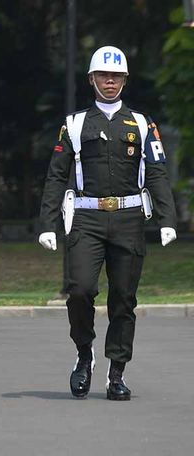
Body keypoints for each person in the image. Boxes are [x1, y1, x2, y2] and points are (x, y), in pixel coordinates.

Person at [38, 46, 177, 401]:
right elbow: (57, 177)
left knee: (123, 299)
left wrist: (166, 218)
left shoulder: (143, 124)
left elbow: (158, 173)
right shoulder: (74, 124)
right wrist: (47, 223)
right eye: (103, 75)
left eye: (116, 76)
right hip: (87, 216)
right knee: (80, 289)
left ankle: (117, 372)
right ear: (92, 79)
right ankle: (84, 354)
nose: (110, 82)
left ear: (125, 80)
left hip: (130, 219)